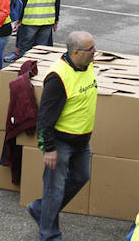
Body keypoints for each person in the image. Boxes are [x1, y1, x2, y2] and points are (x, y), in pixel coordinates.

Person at [26, 32, 97, 241]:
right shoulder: (58, 77)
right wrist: (48, 148)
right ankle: (49, 235)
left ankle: (41, 208)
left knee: (81, 177)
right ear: (75, 52)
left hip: (82, 140)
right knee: (54, 190)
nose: (95, 52)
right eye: (90, 49)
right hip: (61, 141)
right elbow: (45, 117)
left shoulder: (87, 64)